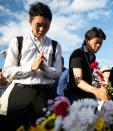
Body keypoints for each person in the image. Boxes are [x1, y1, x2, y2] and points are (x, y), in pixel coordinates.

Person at [0, 2, 62, 130]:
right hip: (20, 93)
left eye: (46, 26)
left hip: (45, 95)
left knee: (46, 128)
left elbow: (58, 72)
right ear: (30, 22)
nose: (42, 29)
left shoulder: (55, 45)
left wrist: (44, 68)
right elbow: (7, 71)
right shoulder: (17, 41)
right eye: (38, 25)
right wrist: (31, 67)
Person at [65, 27, 108, 102]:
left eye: (100, 43)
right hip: (75, 97)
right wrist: (96, 91)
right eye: (96, 42)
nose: (98, 45)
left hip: (87, 95)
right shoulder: (78, 54)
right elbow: (78, 81)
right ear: (87, 41)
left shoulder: (92, 56)